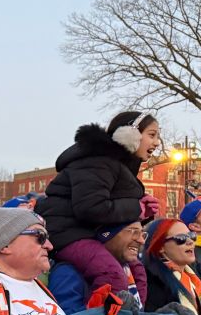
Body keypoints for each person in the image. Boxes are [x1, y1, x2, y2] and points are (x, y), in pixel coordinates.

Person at [37, 112, 160, 297]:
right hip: (67, 234)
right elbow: (91, 207)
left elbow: (111, 210)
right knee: (113, 275)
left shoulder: (117, 166)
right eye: (152, 135)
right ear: (130, 134)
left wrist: (141, 212)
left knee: (137, 272)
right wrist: (136, 207)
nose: (157, 142)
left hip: (91, 233)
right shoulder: (96, 161)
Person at [143, 218, 201, 315]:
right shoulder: (150, 281)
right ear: (161, 247)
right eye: (181, 238)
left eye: (191, 236)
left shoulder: (195, 274)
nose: (190, 241)